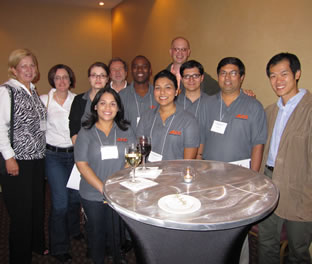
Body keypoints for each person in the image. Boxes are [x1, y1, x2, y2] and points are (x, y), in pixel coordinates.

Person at [258, 53, 312, 264]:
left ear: (297, 74)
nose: (278, 80)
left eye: (284, 74)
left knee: (298, 250)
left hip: (301, 191)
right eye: (272, 76)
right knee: (266, 242)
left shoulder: (309, 110)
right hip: (269, 184)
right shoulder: (269, 111)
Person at [75, 87, 135, 264]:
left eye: (112, 104)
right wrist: (104, 189)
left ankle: (118, 258)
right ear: (95, 107)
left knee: (116, 231)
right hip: (93, 193)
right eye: (102, 103)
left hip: (118, 191)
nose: (107, 108)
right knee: (96, 232)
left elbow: (132, 159)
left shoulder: (126, 130)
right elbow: (82, 164)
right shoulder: (85, 132)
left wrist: (115, 186)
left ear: (118, 108)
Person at [0, 48, 47, 263]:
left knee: (37, 207)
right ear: (13, 70)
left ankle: (35, 245)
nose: (29, 69)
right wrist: (9, 157)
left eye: (32, 65)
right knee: (21, 214)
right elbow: (0, 127)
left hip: (37, 159)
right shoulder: (6, 91)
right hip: (17, 161)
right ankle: (20, 258)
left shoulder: (33, 90)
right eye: (23, 66)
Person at [40, 64, 82, 263]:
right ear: (52, 80)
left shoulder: (78, 100)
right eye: (58, 77)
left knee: (75, 198)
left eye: (66, 77)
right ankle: (58, 247)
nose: (62, 81)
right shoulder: (44, 100)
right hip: (54, 156)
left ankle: (74, 230)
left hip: (75, 155)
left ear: (71, 79)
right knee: (60, 203)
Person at [199, 57, 267, 171]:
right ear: (218, 76)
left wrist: (253, 176)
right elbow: (201, 138)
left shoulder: (254, 106)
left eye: (233, 73)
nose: (227, 78)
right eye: (223, 73)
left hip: (240, 172)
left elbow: (258, 145)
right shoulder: (206, 103)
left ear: (242, 77)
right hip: (209, 170)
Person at [136, 70, 200, 161]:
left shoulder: (188, 120)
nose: (162, 92)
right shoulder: (146, 117)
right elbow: (139, 151)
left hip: (175, 174)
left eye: (168, 87)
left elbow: (188, 162)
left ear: (176, 91)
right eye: (158, 88)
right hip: (148, 173)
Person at [69, 62, 109, 144]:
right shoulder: (78, 100)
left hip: (107, 146)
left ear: (107, 79)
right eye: (94, 75)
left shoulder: (114, 100)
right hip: (84, 147)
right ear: (89, 78)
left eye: (102, 75)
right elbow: (74, 127)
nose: (98, 79)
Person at [119, 55, 157, 133]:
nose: (140, 70)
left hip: (155, 143)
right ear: (131, 71)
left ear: (150, 70)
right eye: (135, 67)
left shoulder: (159, 94)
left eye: (144, 66)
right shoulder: (121, 96)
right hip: (129, 143)